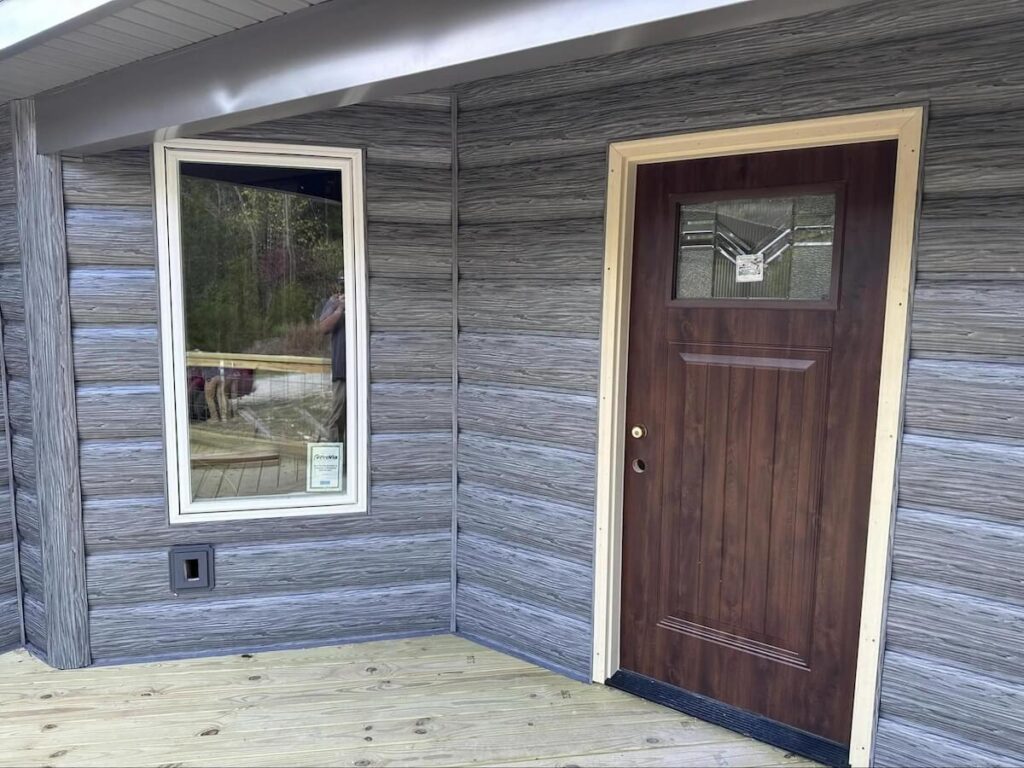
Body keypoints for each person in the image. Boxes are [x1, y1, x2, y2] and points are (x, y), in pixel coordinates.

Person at [317, 274, 347, 442]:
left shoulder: (363, 298)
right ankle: (335, 463)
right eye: (342, 284)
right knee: (336, 418)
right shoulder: (334, 302)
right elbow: (323, 327)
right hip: (342, 371)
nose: (343, 288)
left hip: (363, 371)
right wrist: (340, 308)